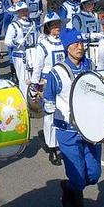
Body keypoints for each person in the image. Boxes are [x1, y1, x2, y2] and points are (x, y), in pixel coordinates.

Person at [43, 28, 101, 207]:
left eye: (81, 43)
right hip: (68, 130)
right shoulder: (57, 72)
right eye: (75, 44)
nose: (80, 47)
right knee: (78, 176)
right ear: (67, 48)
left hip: (90, 127)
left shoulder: (90, 66)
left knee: (93, 175)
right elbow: (47, 98)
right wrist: (48, 105)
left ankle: (68, 188)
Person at [30, 12, 65, 166]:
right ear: (48, 27)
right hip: (47, 81)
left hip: (63, 79)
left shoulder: (64, 41)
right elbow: (37, 67)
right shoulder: (43, 45)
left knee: (63, 110)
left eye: (58, 24)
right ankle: (52, 147)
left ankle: (62, 140)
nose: (57, 27)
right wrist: (34, 86)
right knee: (49, 113)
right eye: (54, 25)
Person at [4, 1, 37, 90]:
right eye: (21, 11)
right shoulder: (13, 25)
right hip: (20, 56)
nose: (24, 13)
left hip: (33, 55)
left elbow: (38, 36)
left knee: (35, 79)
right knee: (24, 81)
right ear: (17, 13)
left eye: (25, 10)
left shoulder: (33, 23)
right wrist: (17, 42)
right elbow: (7, 41)